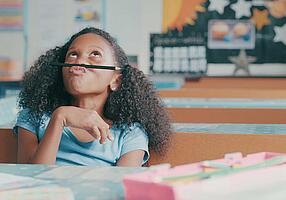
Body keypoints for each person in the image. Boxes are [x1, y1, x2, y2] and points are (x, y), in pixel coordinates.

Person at [13, 27, 172, 167]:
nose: (79, 61)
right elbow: (31, 178)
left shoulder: (130, 133)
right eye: (73, 54)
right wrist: (60, 117)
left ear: (115, 80)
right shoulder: (33, 117)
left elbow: (121, 189)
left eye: (95, 54)